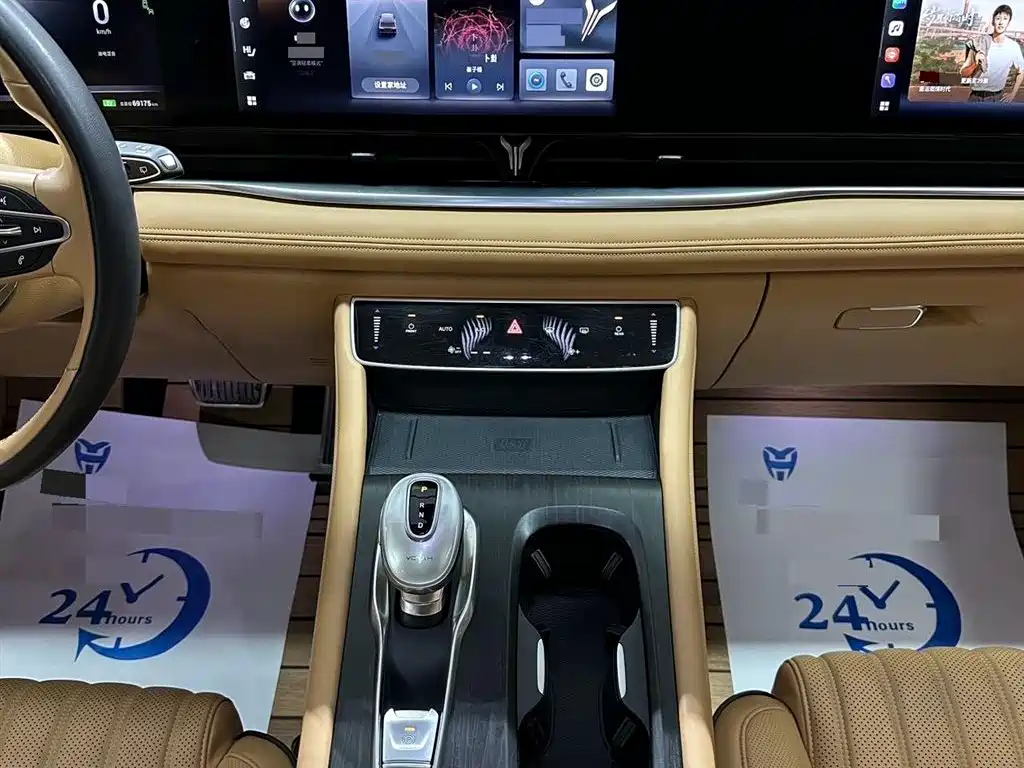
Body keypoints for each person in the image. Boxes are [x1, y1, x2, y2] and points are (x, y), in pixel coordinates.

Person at [961, 4, 1024, 102]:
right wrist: (976, 64)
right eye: (998, 18)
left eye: (1005, 19)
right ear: (993, 21)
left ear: (1008, 23)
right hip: (975, 97)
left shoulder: (1013, 47)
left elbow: (1021, 71)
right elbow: (964, 73)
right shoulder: (979, 44)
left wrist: (1013, 94)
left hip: (997, 97)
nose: (1001, 22)